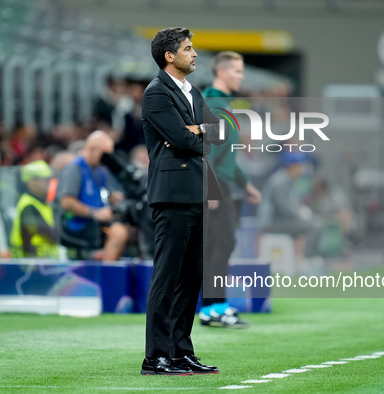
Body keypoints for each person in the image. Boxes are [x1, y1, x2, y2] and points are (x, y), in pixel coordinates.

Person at [141, 27, 227, 375]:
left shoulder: (191, 91)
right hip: (173, 195)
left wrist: (195, 132)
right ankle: (156, 357)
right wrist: (193, 133)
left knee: (191, 276)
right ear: (169, 56)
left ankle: (180, 352)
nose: (195, 54)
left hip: (196, 191)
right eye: (188, 49)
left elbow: (220, 132)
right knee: (166, 277)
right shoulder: (156, 93)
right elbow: (181, 139)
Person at [200, 51, 262, 328]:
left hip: (223, 182)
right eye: (237, 71)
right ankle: (215, 308)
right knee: (222, 244)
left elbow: (228, 157)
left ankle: (212, 308)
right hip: (215, 185)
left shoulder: (224, 103)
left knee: (217, 245)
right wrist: (210, 189)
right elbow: (207, 152)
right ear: (222, 73)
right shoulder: (213, 103)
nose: (241, 76)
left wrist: (246, 185)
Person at [57, 131, 128, 261]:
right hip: (80, 225)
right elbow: (66, 202)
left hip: (97, 225)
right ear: (93, 150)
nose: (108, 159)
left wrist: (114, 198)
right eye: (105, 155)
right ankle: (107, 274)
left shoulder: (100, 170)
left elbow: (104, 194)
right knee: (118, 232)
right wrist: (94, 213)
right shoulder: (74, 169)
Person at [9, 160, 58, 258]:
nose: (48, 182)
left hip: (43, 263)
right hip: (31, 264)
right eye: (43, 179)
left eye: (48, 179)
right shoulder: (28, 205)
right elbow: (51, 235)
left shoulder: (42, 204)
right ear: (30, 181)